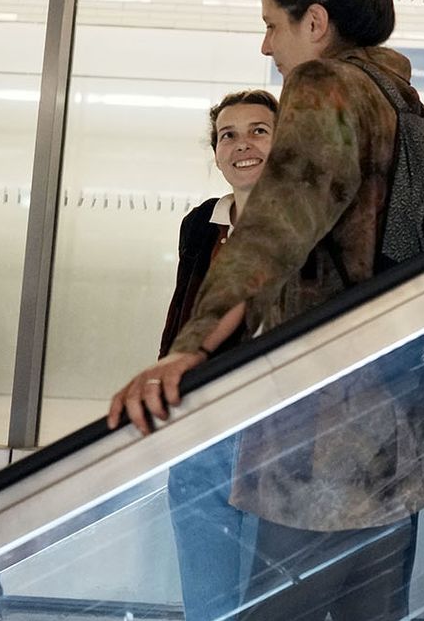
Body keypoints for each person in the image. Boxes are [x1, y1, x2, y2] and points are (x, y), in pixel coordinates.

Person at [109, 0, 424, 621]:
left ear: (314, 22)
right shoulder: (401, 99)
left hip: (322, 435)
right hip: (397, 427)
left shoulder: (326, 87)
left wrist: (190, 348)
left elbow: (273, 226)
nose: (267, 46)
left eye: (272, 25)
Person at [159, 89, 275, 621]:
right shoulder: (203, 223)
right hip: (203, 431)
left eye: (259, 130)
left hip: (275, 431)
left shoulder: (306, 223)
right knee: (207, 599)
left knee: (269, 598)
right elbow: (182, 314)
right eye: (227, 134)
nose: (241, 144)